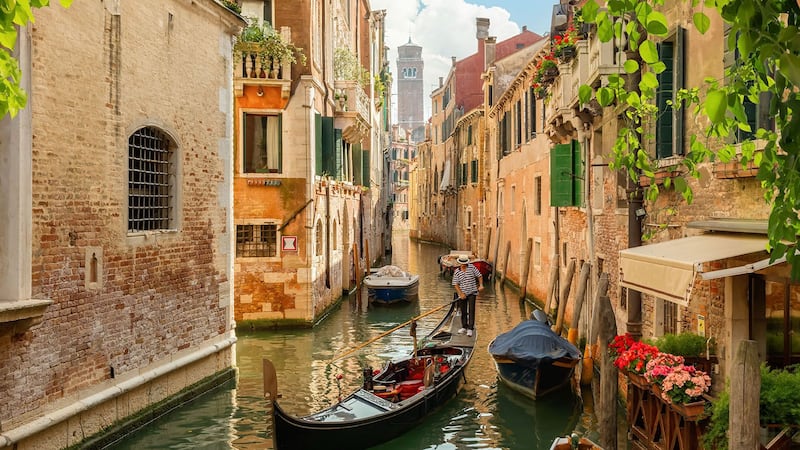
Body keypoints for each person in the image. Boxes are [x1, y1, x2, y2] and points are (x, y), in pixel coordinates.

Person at [452, 254, 484, 337]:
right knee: (463, 311)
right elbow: (455, 284)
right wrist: (461, 294)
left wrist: (481, 285)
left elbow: (479, 276)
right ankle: (464, 326)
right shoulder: (457, 271)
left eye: (465, 263)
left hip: (472, 293)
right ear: (459, 263)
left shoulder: (472, 267)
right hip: (462, 294)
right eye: (462, 263)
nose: (463, 264)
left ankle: (470, 328)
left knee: (471, 310)